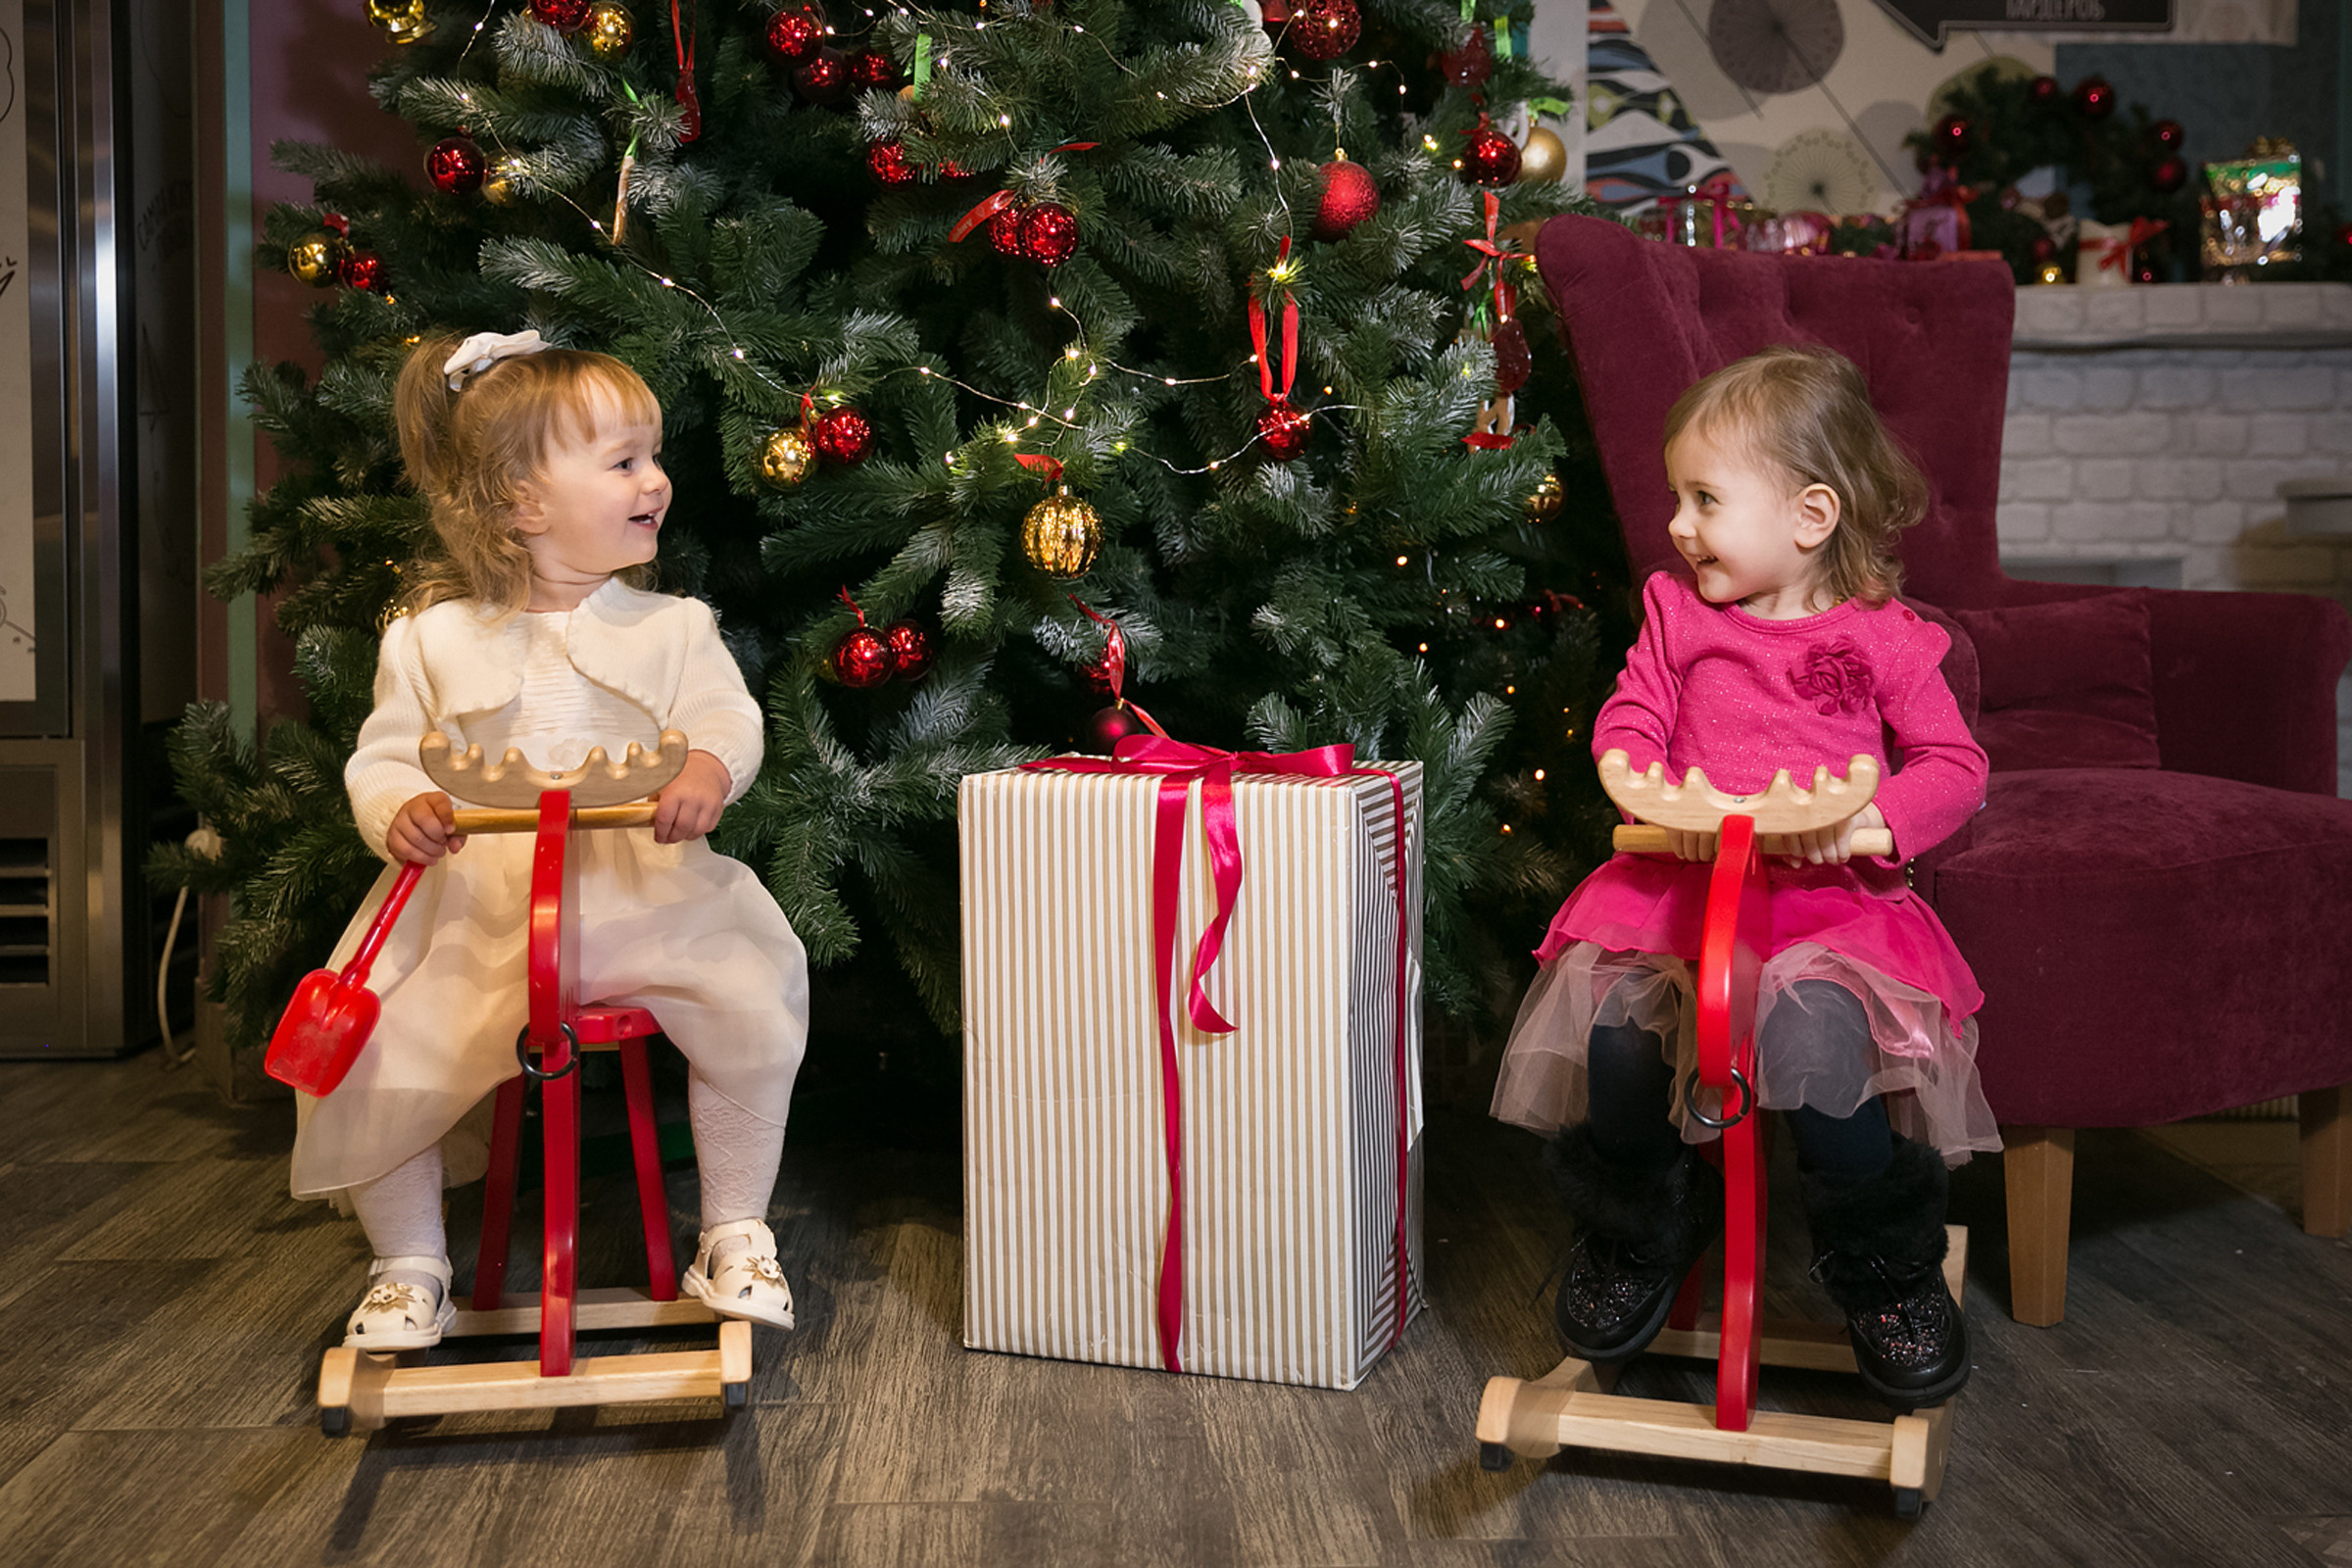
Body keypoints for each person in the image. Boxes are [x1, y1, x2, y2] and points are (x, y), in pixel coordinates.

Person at [1491, 344, 1996, 1409]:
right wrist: (1636, 768)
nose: (1679, 523)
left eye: (1706, 498)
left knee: (1813, 1041)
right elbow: (1635, 710)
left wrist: (1870, 822)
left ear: (1809, 517)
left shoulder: (1885, 639)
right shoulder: (1680, 612)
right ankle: (1640, 1230)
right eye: (1679, 495)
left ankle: (1882, 1271)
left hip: (1826, 909)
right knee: (1621, 1033)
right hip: (1683, 888)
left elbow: (1955, 769)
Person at [293, 329, 810, 1351]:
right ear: (521, 501)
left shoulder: (675, 627)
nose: (654, 480)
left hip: (647, 898)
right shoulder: (430, 640)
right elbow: (385, 754)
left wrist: (708, 769)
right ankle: (408, 1265)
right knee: (375, 1043)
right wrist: (398, 805)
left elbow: (725, 716)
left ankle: (737, 1230)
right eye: (622, 461)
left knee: (755, 986)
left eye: (651, 456)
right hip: (473, 912)